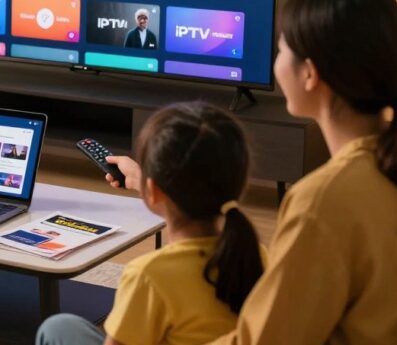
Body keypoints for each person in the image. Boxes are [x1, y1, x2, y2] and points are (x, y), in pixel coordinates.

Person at [104, 0, 397, 344]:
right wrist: (153, 183)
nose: (275, 61)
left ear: (310, 73)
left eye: (281, 49)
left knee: (64, 330)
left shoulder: (323, 200)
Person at [37, 102, 265, 345]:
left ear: (153, 190)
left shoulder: (149, 275)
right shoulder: (255, 255)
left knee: (58, 327)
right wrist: (142, 181)